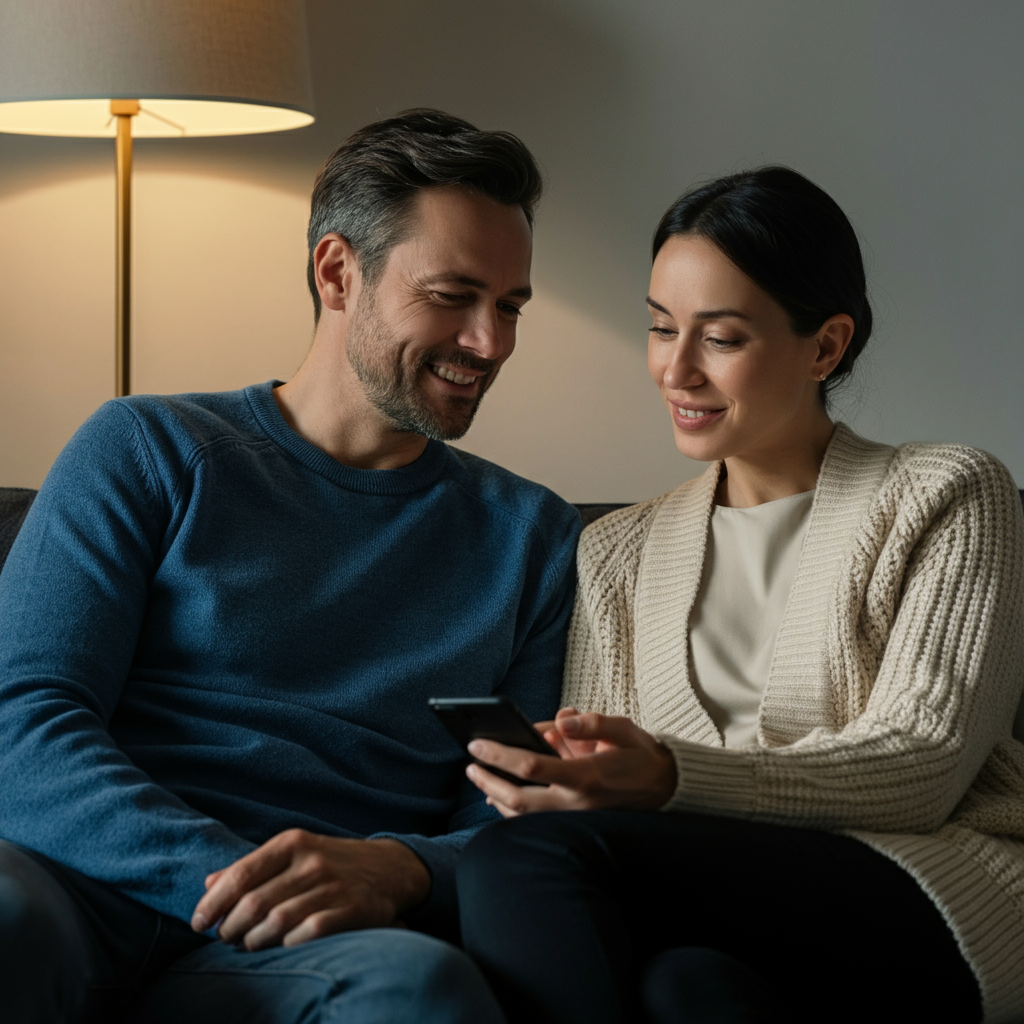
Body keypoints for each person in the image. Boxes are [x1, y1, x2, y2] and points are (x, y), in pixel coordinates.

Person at [0, 108, 581, 1023]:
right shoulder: (149, 447)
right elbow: (20, 722)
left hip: (318, 945)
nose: (491, 342)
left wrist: (398, 868)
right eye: (453, 295)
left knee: (419, 991)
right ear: (337, 272)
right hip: (80, 890)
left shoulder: (532, 537)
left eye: (509, 307)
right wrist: (231, 876)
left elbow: (516, 818)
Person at [456, 166, 1024, 1024]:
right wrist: (574, 775)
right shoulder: (617, 551)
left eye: (720, 338)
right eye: (660, 328)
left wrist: (670, 776)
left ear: (825, 348)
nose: (675, 370)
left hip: (932, 887)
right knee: (685, 990)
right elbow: (608, 782)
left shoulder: (948, 493)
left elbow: (923, 768)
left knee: (522, 859)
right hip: (728, 906)